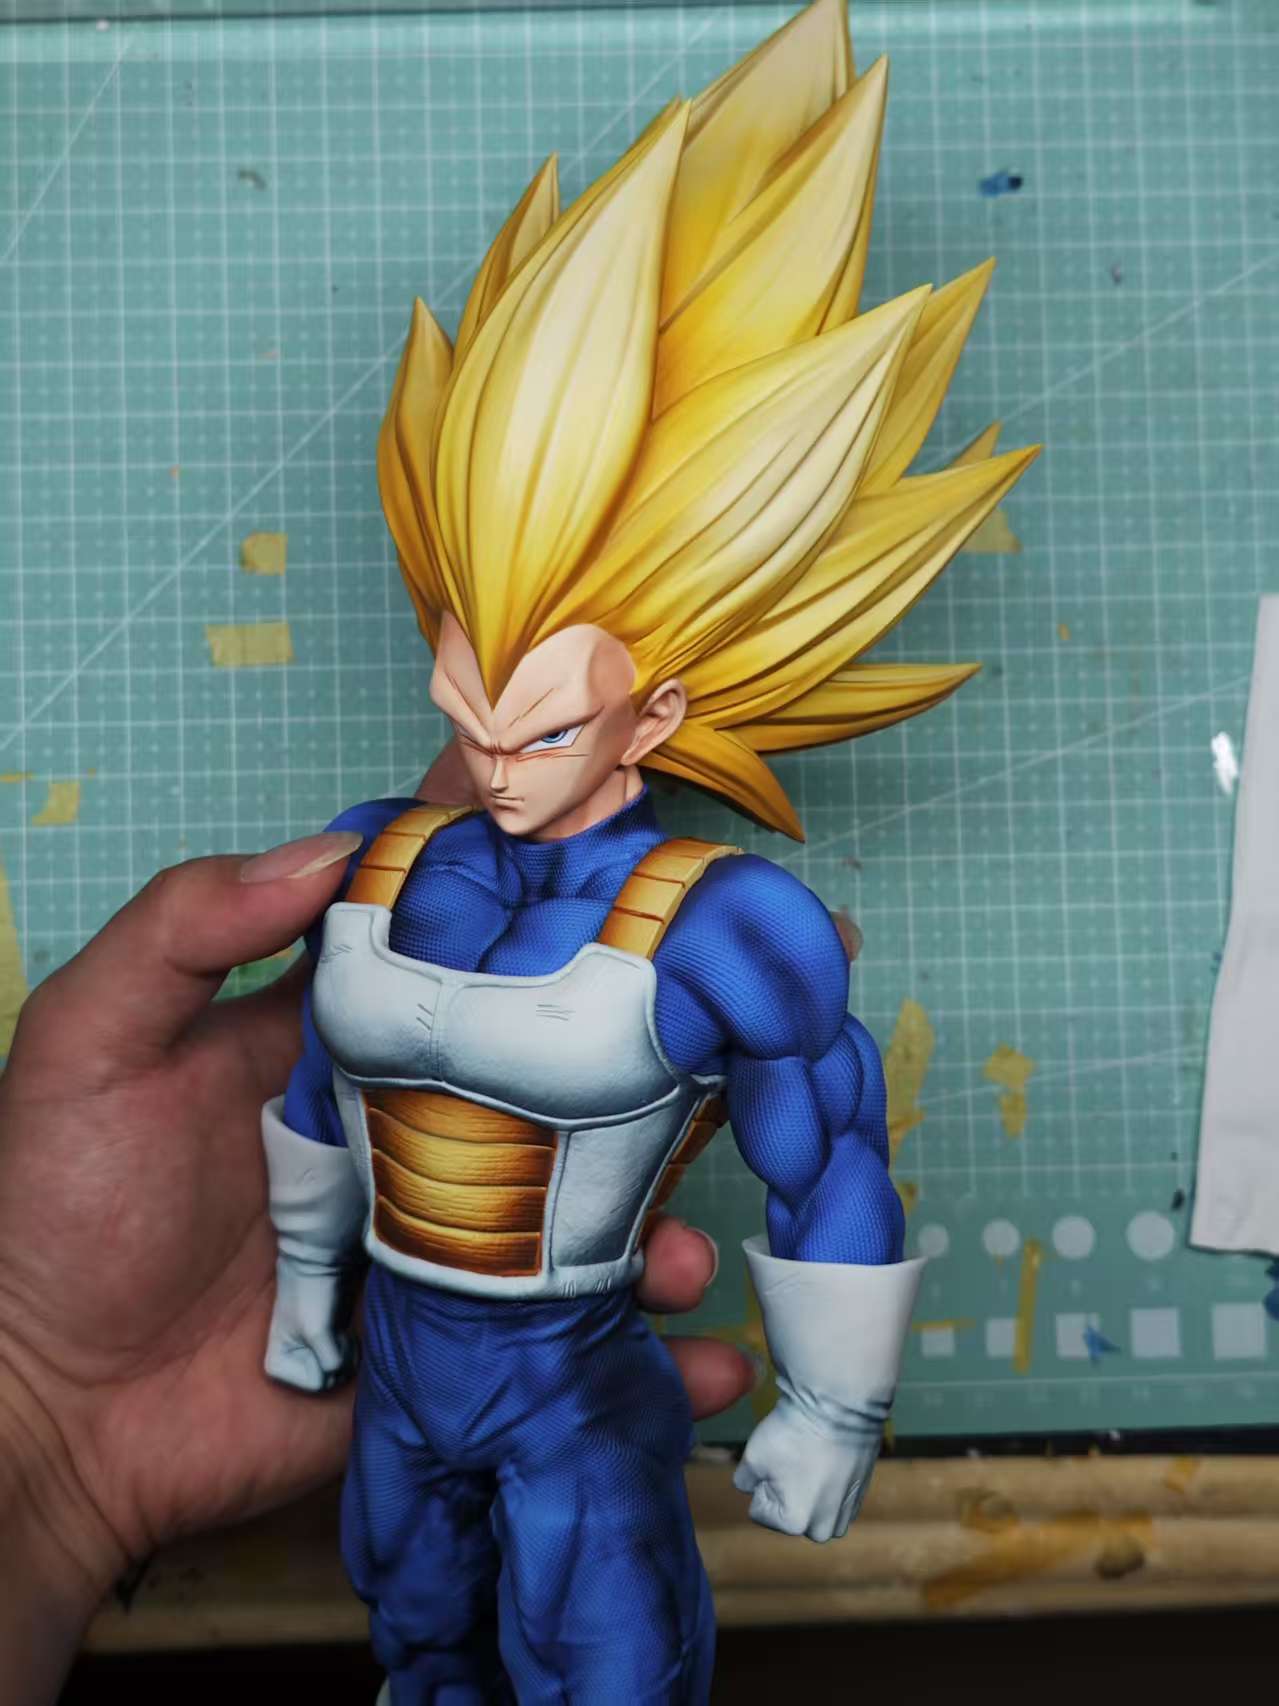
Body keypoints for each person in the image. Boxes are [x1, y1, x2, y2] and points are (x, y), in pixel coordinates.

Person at [0, 837, 752, 1706]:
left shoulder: (720, 914)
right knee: (419, 1626)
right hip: (399, 1352)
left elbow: (821, 1134)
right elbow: (318, 1088)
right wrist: (304, 1292)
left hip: (565, 1362)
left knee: (609, 1647)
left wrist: (831, 1408)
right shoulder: (390, 855)